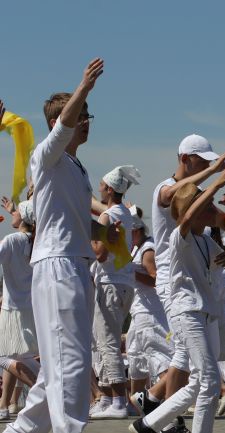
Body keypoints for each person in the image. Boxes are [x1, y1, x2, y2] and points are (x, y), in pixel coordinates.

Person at [4, 59, 122, 433]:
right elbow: (62, 128)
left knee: (56, 370)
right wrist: (84, 87)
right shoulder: (47, 156)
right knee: (70, 363)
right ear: (59, 124)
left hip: (75, 266)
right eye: (80, 115)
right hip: (57, 266)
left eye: (90, 115)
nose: (86, 122)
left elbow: (77, 221)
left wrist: (106, 234)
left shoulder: (75, 168)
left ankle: (21, 431)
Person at [129, 163, 225, 433]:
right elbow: (187, 217)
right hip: (186, 312)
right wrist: (215, 182)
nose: (212, 209)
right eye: (207, 204)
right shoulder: (177, 237)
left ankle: (148, 424)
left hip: (205, 312)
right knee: (210, 380)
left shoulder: (205, 241)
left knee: (198, 384)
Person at [90, 165, 140, 419]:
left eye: (101, 185)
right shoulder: (127, 214)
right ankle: (109, 397)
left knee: (107, 343)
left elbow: (100, 254)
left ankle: (119, 400)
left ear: (109, 189)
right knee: (105, 339)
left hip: (109, 282)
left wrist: (90, 237)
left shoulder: (107, 216)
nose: (99, 188)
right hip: (125, 283)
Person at [127, 206, 173, 414]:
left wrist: (130, 272)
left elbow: (155, 278)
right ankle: (136, 406)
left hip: (151, 312)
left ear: (135, 231)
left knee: (159, 356)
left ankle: (167, 405)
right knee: (136, 358)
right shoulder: (137, 248)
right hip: (138, 311)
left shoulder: (147, 249)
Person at [0, 201, 39, 420]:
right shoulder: (35, 241)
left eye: (16, 212)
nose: (11, 215)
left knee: (3, 357)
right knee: (23, 355)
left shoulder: (12, 240)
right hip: (28, 305)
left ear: (22, 218)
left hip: (12, 308)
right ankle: (48, 385)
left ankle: (43, 389)